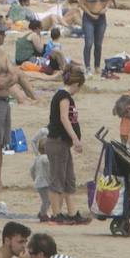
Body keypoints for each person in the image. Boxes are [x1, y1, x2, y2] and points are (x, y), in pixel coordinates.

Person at [0, 17, 38, 188]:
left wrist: (10, 79)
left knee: (0, 143)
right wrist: (9, 78)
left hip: (4, 101)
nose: (4, 35)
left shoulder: (2, 54)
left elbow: (16, 74)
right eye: (1, 32)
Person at [46, 65, 87, 223]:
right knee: (57, 178)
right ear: (76, 84)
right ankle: (56, 214)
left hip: (63, 144)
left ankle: (72, 212)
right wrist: (75, 138)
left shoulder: (64, 96)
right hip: (57, 141)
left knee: (69, 178)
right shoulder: (63, 96)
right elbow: (64, 118)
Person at [79, 0, 114, 72]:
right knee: (89, 42)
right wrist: (90, 14)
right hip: (89, 17)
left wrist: (106, 8)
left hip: (101, 18)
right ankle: (87, 66)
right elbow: (81, 3)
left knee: (98, 44)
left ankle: (97, 66)